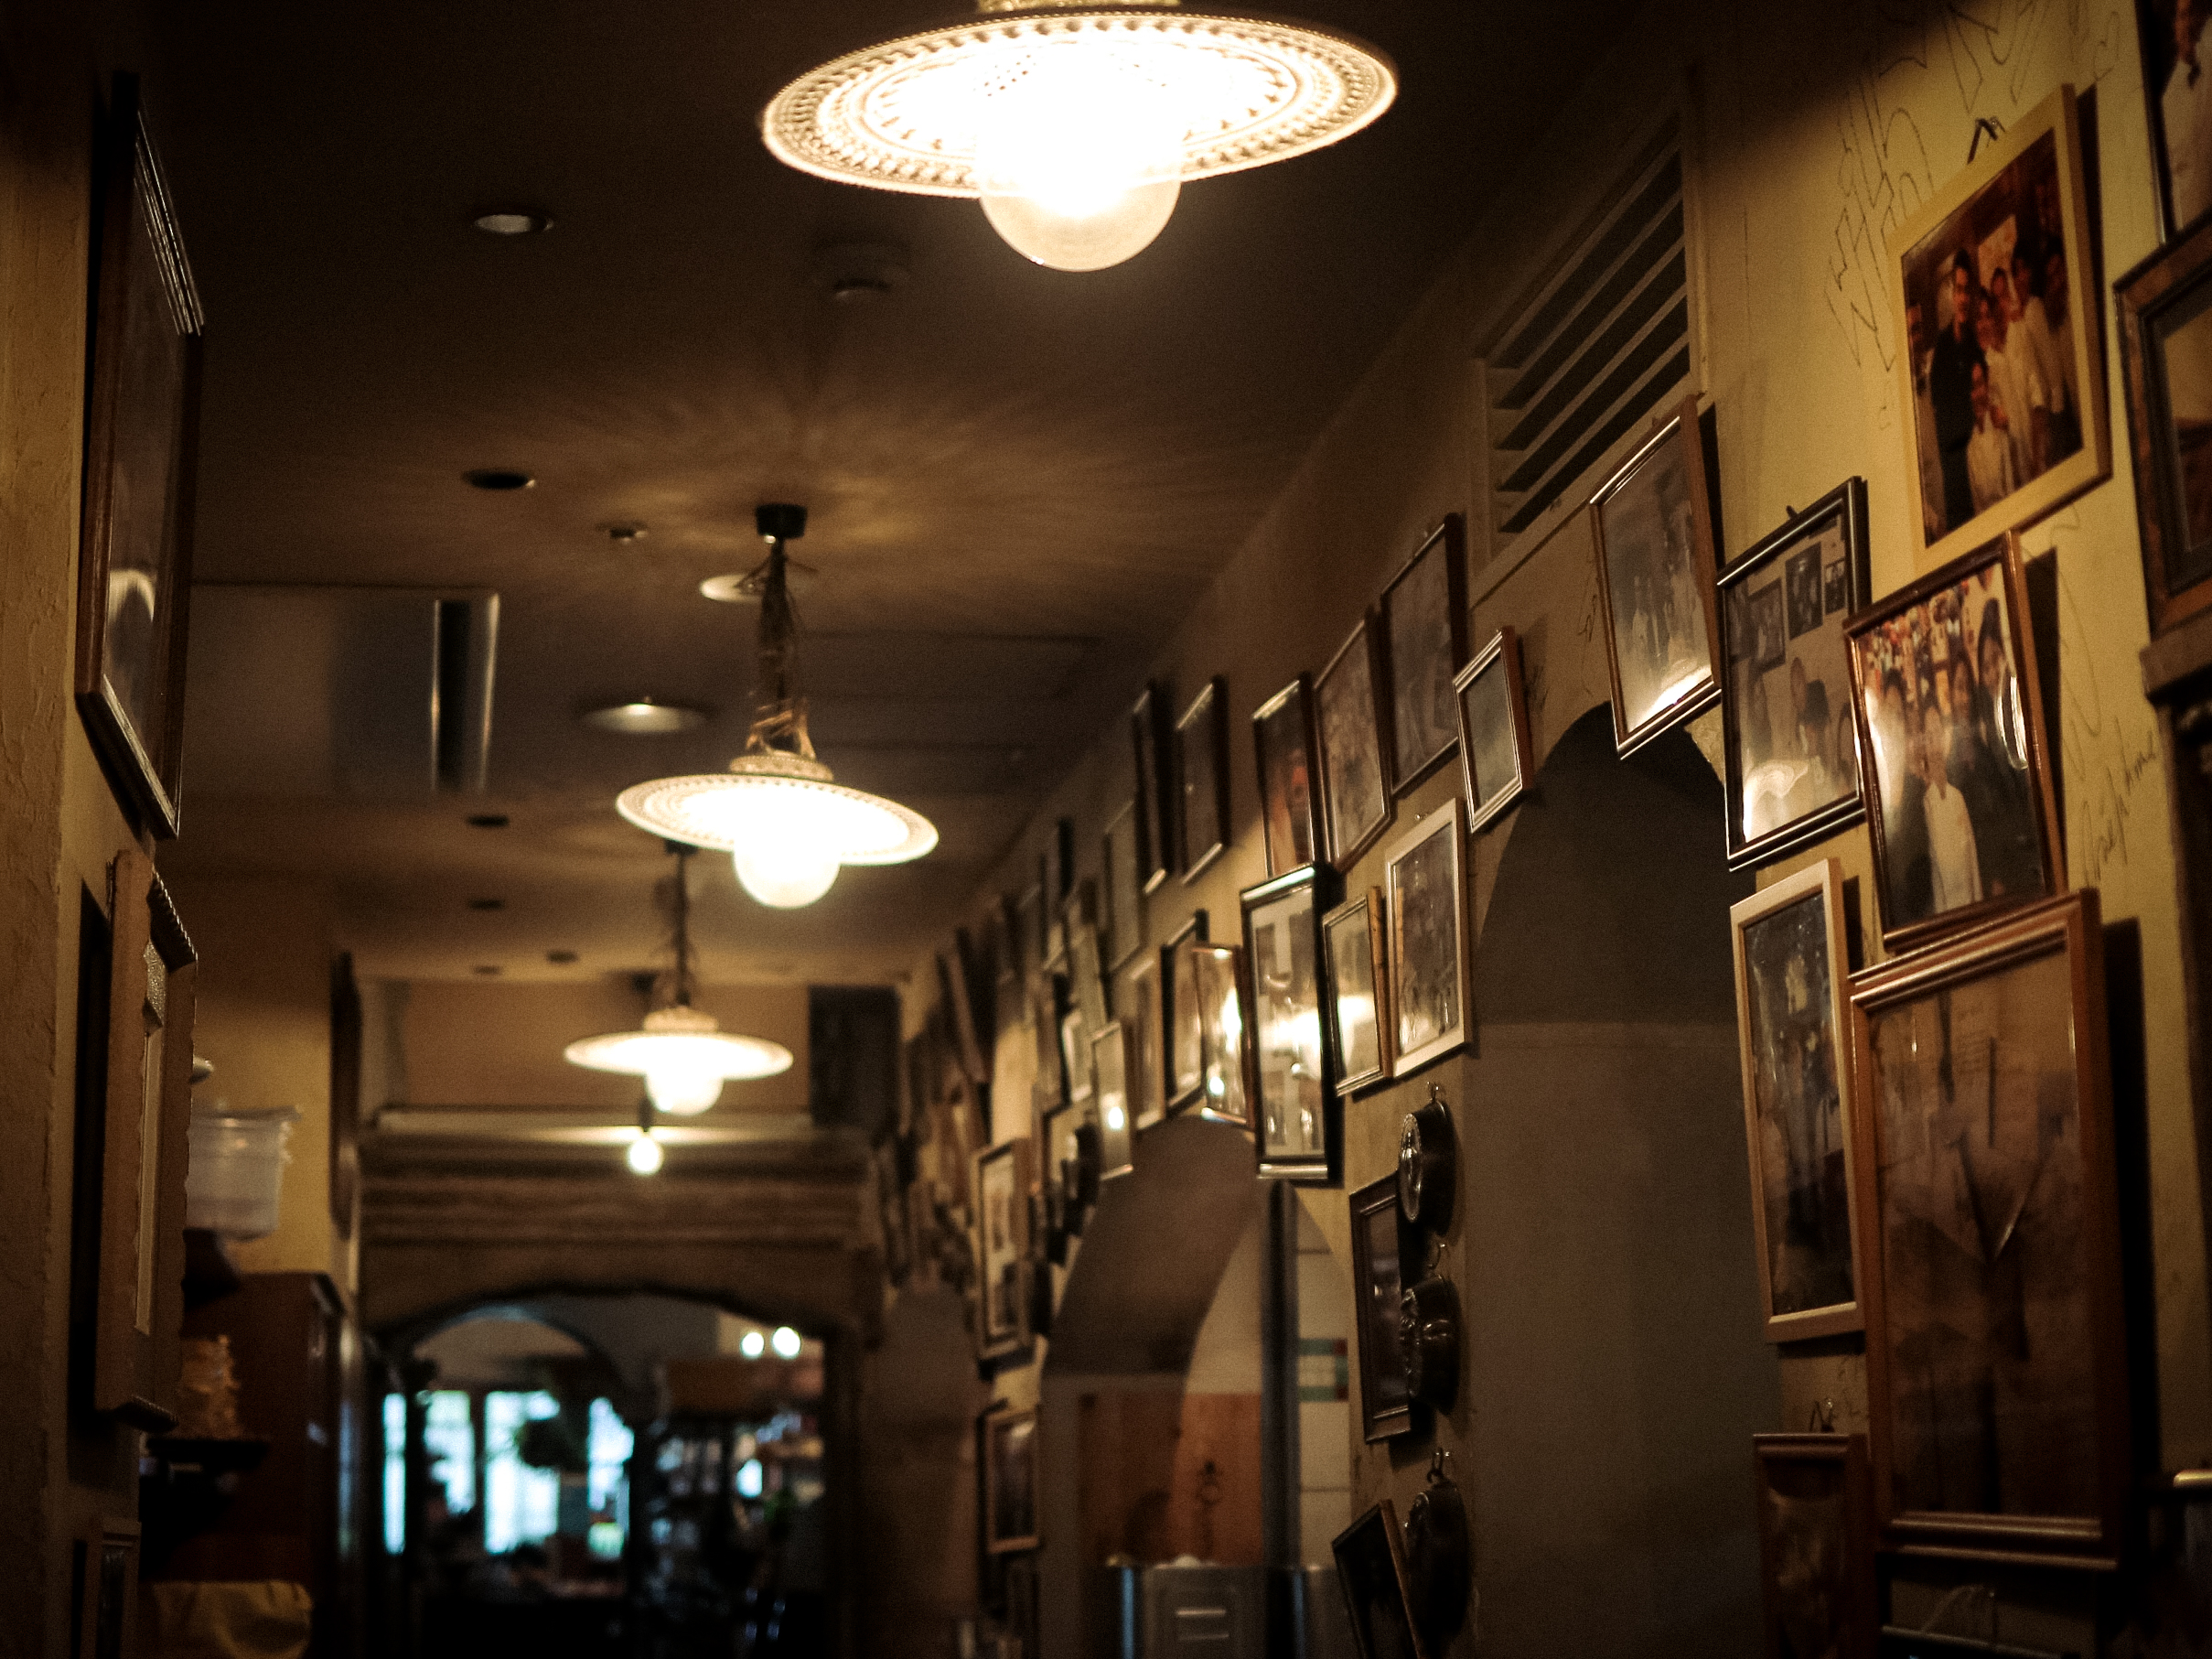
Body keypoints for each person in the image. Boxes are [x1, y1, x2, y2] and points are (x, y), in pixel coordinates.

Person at [1929, 254, 1986, 533]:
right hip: (1953, 464)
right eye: (1959, 290)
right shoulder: (1942, 346)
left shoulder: (1976, 344)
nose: (1963, 298)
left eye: (1967, 292)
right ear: (1953, 295)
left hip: (1980, 457)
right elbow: (1937, 406)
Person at [1982, 268, 2046, 479]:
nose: (2001, 307)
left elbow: (2037, 391)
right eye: (1996, 303)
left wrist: (2037, 451)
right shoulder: (1990, 359)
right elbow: (1996, 410)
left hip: (2037, 440)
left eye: (2004, 299)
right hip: (2015, 456)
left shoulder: (2019, 332)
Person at [1920, 705, 1982, 911]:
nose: (1934, 743)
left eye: (1938, 732)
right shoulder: (1923, 805)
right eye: (1928, 735)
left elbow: (1973, 862)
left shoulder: (1959, 795)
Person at [2169, 0, 2212, 231]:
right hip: (2190, 234)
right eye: (2181, 16)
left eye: (2193, 13)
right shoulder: (2170, 100)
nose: (2187, 25)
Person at [1967, 361, 2018, 512]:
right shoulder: (1971, 450)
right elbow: (1978, 508)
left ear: (1987, 386)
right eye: (1971, 388)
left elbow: (2013, 493)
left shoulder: (2002, 431)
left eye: (1980, 384)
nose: (1976, 395)